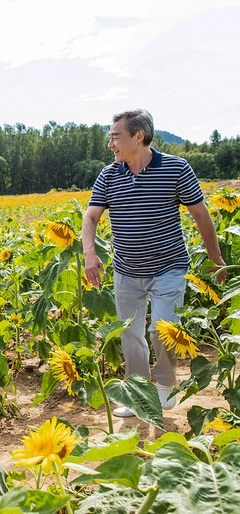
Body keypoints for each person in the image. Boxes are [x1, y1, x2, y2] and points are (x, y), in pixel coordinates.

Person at [82, 109, 226, 418]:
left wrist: (216, 260)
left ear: (138, 136)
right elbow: (91, 217)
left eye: (115, 137)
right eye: (110, 138)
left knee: (163, 330)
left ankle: (164, 387)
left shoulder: (176, 168)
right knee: (130, 335)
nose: (111, 145)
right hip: (126, 270)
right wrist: (90, 253)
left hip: (169, 267)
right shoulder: (109, 175)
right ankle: (138, 396)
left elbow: (200, 214)